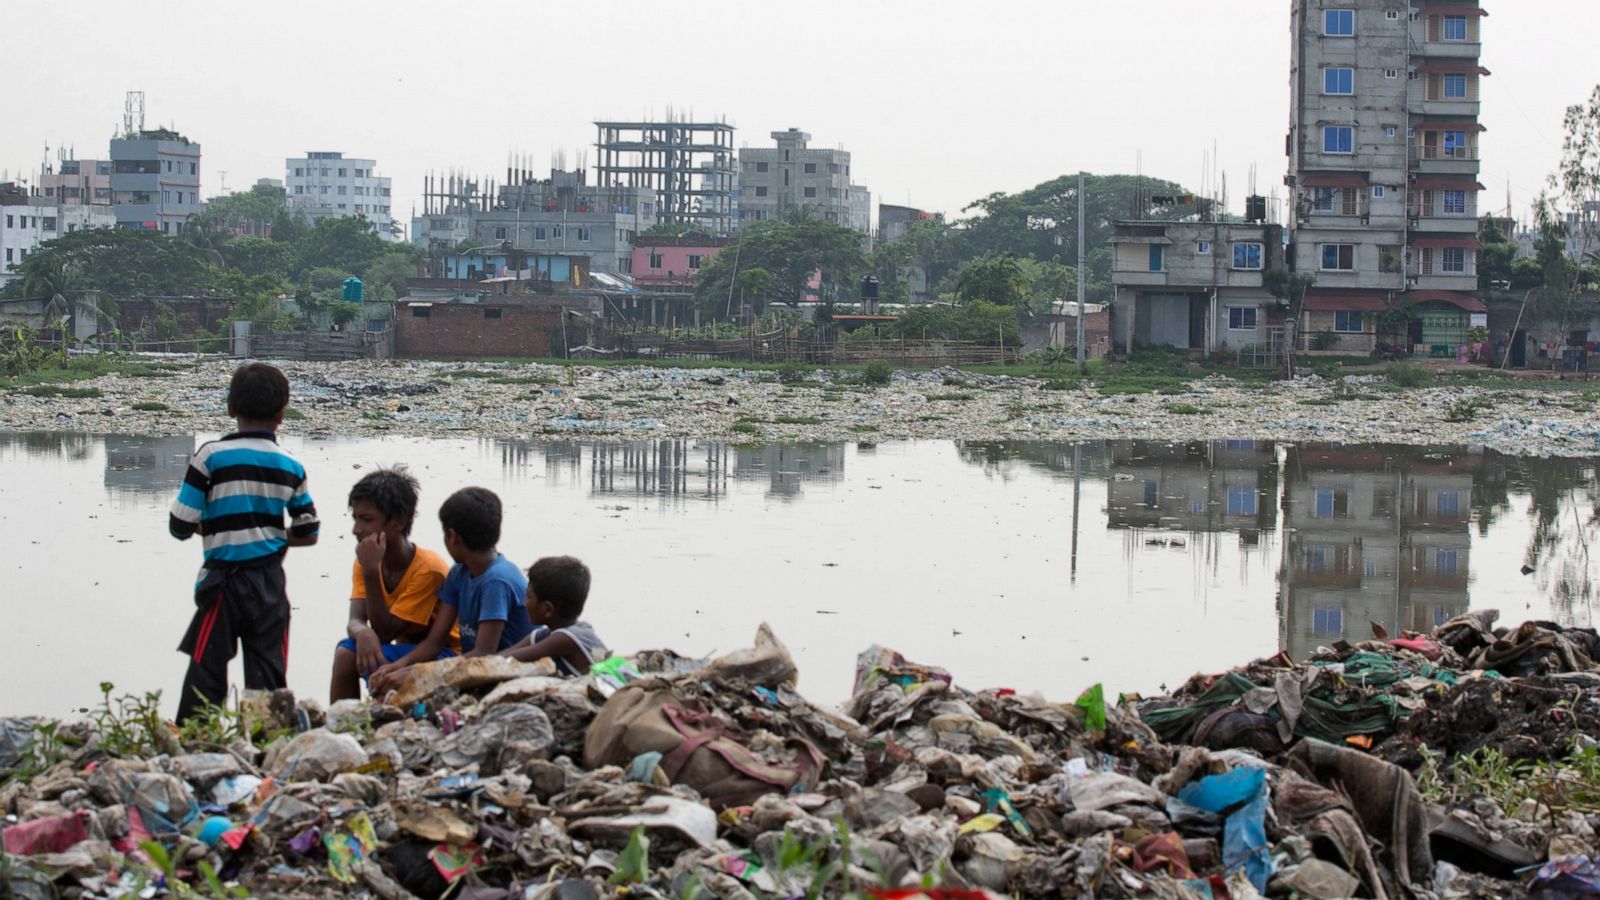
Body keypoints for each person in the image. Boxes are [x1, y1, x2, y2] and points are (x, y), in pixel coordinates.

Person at [168, 363, 319, 723]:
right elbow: (308, 531)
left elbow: (179, 524)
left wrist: (218, 527)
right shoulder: (290, 466)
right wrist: (266, 532)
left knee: (207, 668)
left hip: (224, 581)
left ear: (230, 408)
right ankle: (266, 746)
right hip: (268, 581)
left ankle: (194, 741)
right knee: (267, 670)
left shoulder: (210, 457)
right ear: (282, 413)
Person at [369, 487, 532, 694]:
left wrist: (414, 672)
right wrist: (400, 665)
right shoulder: (459, 573)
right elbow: (434, 642)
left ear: (453, 537)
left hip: (502, 672)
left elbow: (484, 654)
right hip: (471, 665)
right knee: (388, 673)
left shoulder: (496, 580)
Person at [329, 466, 457, 702]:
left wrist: (370, 572)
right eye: (355, 518)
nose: (356, 529)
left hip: (442, 655)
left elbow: (385, 631)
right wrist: (362, 631)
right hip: (403, 651)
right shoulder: (368, 560)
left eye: (367, 520)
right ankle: (342, 725)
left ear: (399, 521)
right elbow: (356, 619)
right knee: (345, 652)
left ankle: (374, 721)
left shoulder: (427, 569)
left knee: (368, 659)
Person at [500, 556, 607, 676]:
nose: (525, 602)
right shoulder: (546, 635)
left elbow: (507, 660)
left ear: (547, 609)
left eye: (529, 597)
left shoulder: (568, 638)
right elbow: (496, 658)